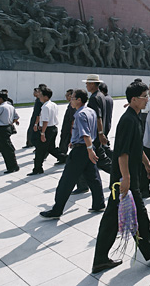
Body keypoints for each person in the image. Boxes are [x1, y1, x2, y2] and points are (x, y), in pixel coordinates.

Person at [92, 81, 150, 274]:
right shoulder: (128, 120)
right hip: (123, 180)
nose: (147, 99)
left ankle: (102, 259)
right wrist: (126, 179)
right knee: (139, 215)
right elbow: (122, 153)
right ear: (134, 99)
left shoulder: (137, 117)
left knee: (115, 219)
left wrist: (147, 164)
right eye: (144, 96)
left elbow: (136, 147)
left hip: (128, 177)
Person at [41, 89, 105, 219]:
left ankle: (57, 210)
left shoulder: (80, 114)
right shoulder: (90, 111)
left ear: (79, 100)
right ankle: (99, 204)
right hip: (86, 147)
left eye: (72, 98)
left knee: (67, 180)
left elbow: (85, 133)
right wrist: (75, 142)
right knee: (93, 178)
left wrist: (89, 149)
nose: (71, 100)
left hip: (82, 150)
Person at [29, 87, 66, 175]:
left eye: (41, 95)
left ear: (46, 97)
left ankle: (37, 168)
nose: (39, 97)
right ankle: (64, 158)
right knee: (50, 148)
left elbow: (45, 121)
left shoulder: (45, 106)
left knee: (40, 150)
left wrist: (42, 133)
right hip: (53, 128)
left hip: (47, 130)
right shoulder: (53, 104)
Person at [58, 89, 76, 154]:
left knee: (64, 142)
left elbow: (73, 119)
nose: (66, 96)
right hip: (66, 127)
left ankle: (62, 156)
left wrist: (72, 130)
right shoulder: (70, 105)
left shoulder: (72, 106)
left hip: (68, 128)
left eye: (67, 95)